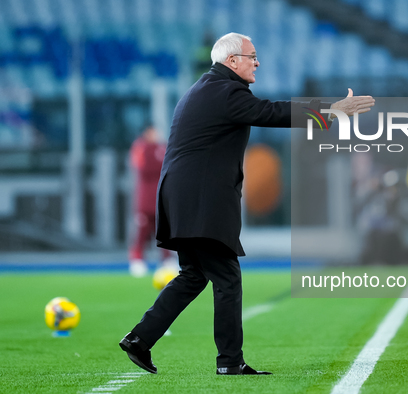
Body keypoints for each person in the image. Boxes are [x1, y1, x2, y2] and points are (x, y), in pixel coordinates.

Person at [119, 32, 375, 375]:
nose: (257, 62)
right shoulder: (225, 91)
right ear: (232, 61)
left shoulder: (206, 88)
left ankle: (140, 339)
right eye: (251, 56)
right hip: (200, 200)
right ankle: (229, 362)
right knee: (226, 277)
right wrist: (332, 110)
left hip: (182, 197)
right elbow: (273, 113)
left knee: (194, 275)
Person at [128, 124, 175, 277]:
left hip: (160, 196)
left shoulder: (162, 147)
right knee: (142, 230)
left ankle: (167, 260)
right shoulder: (140, 147)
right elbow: (144, 168)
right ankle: (137, 260)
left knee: (163, 230)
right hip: (145, 198)